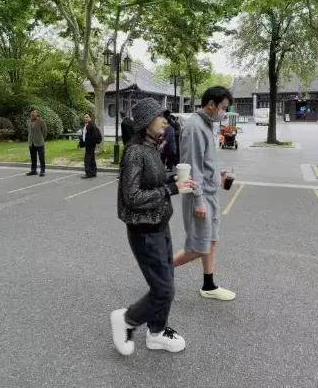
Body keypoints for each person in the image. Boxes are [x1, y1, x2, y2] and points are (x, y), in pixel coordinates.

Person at [111, 98, 195, 356]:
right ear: (146, 122)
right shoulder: (135, 152)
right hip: (144, 231)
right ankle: (126, 320)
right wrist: (170, 189)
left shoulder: (151, 148)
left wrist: (175, 180)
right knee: (164, 290)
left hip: (159, 225)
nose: (165, 121)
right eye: (160, 116)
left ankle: (156, 333)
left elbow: (152, 182)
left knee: (166, 283)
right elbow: (132, 197)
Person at [174, 86, 236, 301]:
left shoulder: (206, 125)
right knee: (198, 247)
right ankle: (160, 270)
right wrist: (198, 201)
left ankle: (209, 286)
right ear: (211, 104)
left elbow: (205, 162)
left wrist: (219, 174)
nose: (224, 113)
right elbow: (191, 168)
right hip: (199, 196)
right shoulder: (194, 127)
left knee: (211, 240)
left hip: (209, 193)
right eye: (223, 108)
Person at [79, 114, 102, 178]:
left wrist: (90, 143)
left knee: (87, 159)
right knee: (91, 158)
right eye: (85, 117)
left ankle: (89, 173)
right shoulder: (86, 125)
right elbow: (84, 135)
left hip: (90, 145)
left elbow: (94, 135)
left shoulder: (91, 125)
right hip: (88, 144)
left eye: (87, 117)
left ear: (90, 118)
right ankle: (93, 172)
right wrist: (82, 142)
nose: (85, 118)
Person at [26, 109, 47, 177]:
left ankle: (42, 171)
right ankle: (33, 170)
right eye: (32, 112)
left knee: (41, 158)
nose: (33, 113)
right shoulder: (29, 121)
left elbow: (45, 131)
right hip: (31, 143)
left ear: (37, 113)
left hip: (39, 142)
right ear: (30, 114)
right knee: (33, 158)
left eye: (34, 112)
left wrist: (42, 138)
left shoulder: (41, 121)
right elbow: (29, 132)